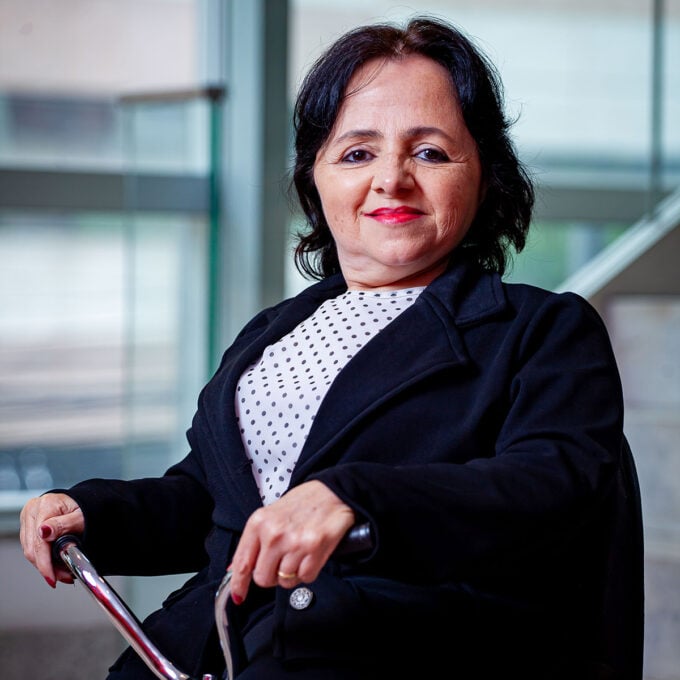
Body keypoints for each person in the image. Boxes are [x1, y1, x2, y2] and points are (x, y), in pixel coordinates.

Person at [20, 15, 635, 680]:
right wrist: (94, 513)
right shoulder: (273, 334)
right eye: (357, 154)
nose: (392, 178)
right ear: (315, 176)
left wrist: (354, 499)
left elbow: (552, 489)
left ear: (484, 175)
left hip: (387, 651)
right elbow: (213, 503)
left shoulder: (542, 329)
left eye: (430, 153)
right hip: (206, 645)